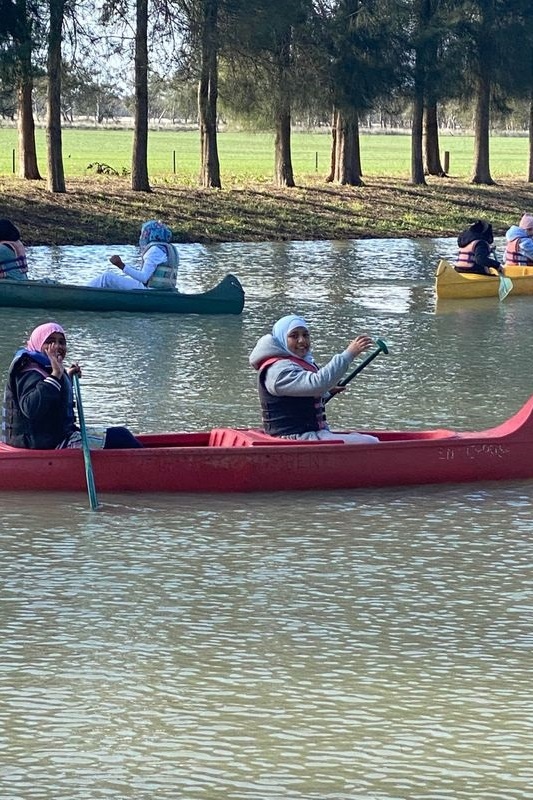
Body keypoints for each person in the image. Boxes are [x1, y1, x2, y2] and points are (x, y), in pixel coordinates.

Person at [2, 322, 142, 450]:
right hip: (42, 444)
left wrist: (66, 376)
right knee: (122, 437)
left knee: (122, 436)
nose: (57, 346)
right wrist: (57, 374)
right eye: (50, 342)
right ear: (38, 344)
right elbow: (30, 408)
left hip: (52, 438)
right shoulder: (27, 371)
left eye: (62, 342)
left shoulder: (44, 367)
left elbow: (52, 397)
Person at [249, 314, 380, 444]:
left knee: (360, 437)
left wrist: (327, 391)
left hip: (307, 434)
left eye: (305, 335)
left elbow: (303, 392)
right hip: (295, 438)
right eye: (294, 336)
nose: (302, 340)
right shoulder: (277, 371)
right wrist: (348, 354)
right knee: (371, 442)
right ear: (282, 339)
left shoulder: (295, 362)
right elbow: (317, 383)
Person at [87, 220, 179, 290]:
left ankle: (83, 292)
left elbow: (143, 278)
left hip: (151, 291)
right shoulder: (169, 249)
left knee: (106, 278)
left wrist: (121, 265)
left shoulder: (154, 250)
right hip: (165, 290)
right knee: (124, 279)